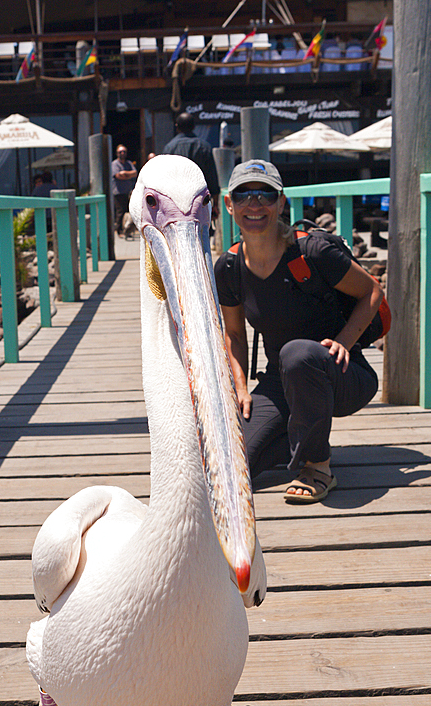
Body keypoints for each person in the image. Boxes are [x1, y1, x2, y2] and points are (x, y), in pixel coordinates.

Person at [214, 160, 383, 504]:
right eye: (243, 196)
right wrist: (240, 387)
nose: (255, 205)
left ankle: (318, 465)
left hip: (341, 374)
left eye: (265, 195)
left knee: (297, 354)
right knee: (228, 468)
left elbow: (373, 292)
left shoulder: (313, 252)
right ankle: (295, 443)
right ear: (229, 204)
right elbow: (233, 335)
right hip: (280, 383)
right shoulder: (229, 267)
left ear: (281, 202)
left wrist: (343, 342)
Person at [163, 112, 220, 218]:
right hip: (199, 202)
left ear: (177, 127)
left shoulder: (169, 148)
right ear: (194, 127)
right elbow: (212, 177)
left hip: (176, 203)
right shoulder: (204, 146)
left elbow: (165, 179)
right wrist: (215, 204)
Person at [111, 145, 138, 235]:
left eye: (124, 152)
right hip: (118, 192)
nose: (122, 153)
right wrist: (127, 175)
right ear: (117, 153)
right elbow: (118, 176)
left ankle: (128, 230)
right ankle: (119, 230)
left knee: (130, 211)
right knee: (120, 212)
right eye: (120, 152)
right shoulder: (114, 164)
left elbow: (135, 173)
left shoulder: (129, 163)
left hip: (128, 191)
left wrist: (124, 173)